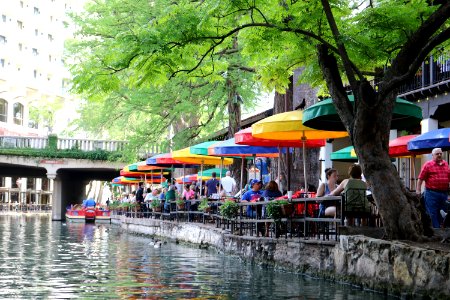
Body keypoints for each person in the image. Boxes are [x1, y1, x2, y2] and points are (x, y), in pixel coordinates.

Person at [416, 148, 450, 228]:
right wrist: (418, 190)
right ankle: (436, 230)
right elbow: (420, 178)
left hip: (444, 193)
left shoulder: (445, 164)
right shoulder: (428, 165)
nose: (439, 155)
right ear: (432, 155)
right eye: (437, 154)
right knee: (432, 213)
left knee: (443, 212)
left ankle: (442, 230)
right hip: (431, 193)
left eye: (440, 154)